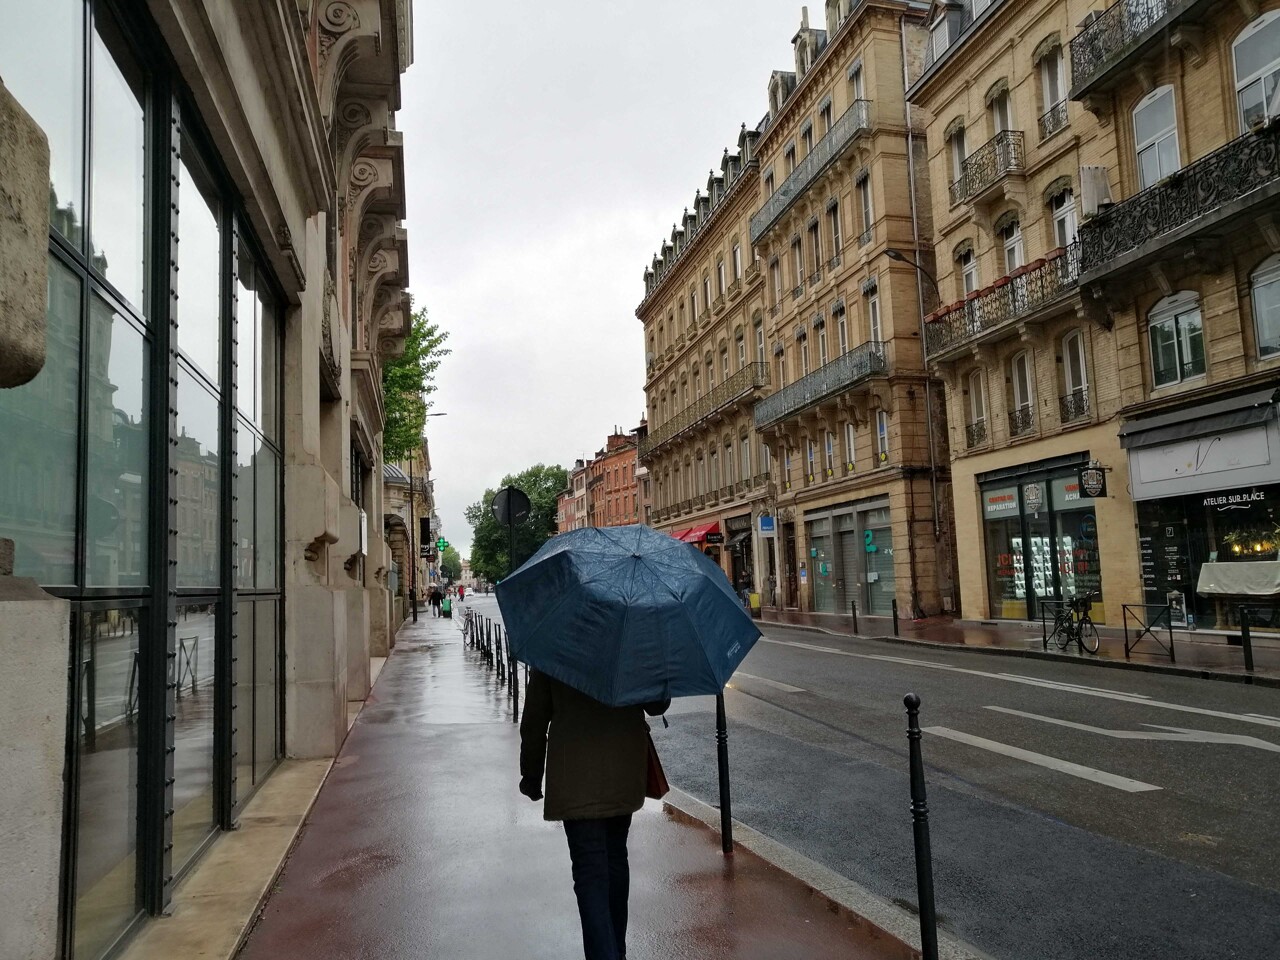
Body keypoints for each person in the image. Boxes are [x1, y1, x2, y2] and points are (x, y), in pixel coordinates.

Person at [519, 670, 668, 960]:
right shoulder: (632, 635)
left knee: (590, 871)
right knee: (615, 858)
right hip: (623, 767)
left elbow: (535, 716)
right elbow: (657, 705)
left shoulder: (555, 635)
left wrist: (531, 773)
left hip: (575, 772)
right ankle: (617, 952)